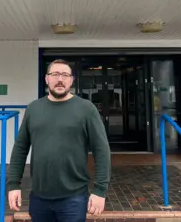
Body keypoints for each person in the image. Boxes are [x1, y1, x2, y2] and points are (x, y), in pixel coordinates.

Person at [7, 59, 111, 222]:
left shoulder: (86, 109)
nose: (60, 79)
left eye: (65, 75)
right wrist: (13, 185)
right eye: (55, 74)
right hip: (39, 197)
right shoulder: (33, 108)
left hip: (73, 198)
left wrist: (100, 191)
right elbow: (20, 148)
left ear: (71, 80)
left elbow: (101, 150)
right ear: (47, 79)